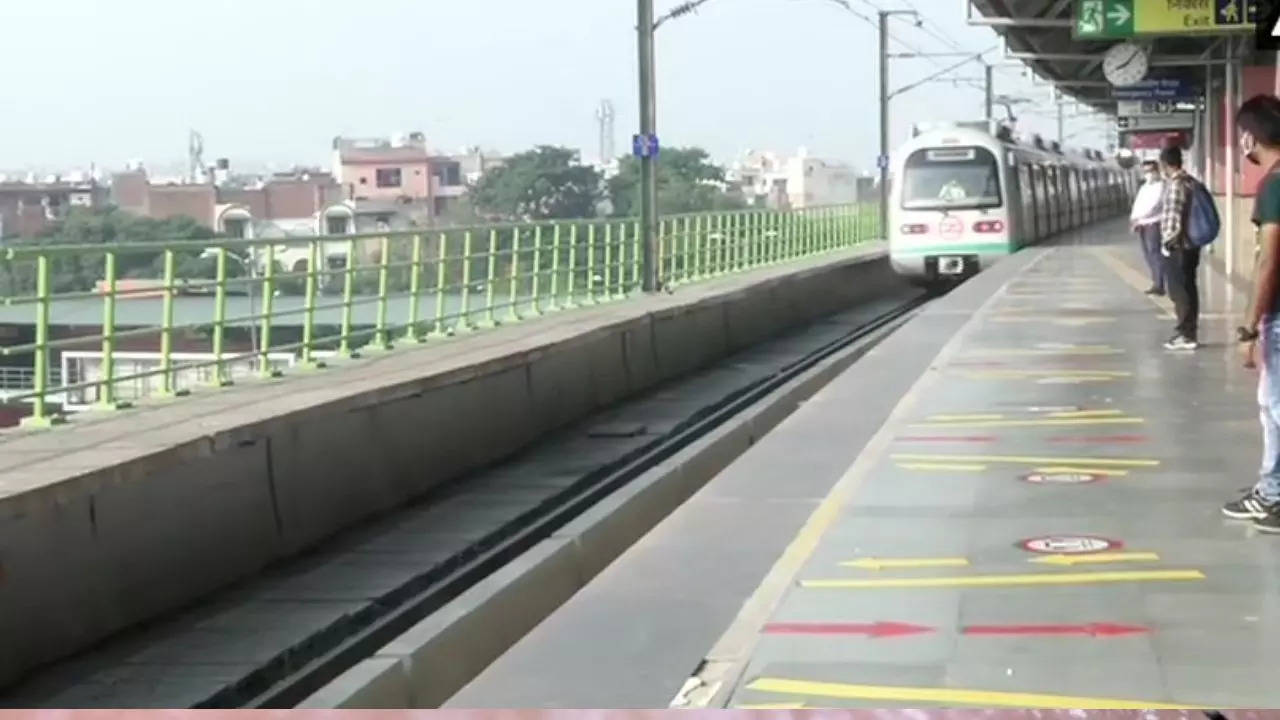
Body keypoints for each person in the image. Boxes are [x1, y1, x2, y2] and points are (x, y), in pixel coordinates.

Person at [1223, 94, 1280, 532]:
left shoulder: (1275, 185)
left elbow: (1268, 263)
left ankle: (1274, 497)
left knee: (1275, 407)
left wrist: (1248, 329)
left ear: (1252, 136)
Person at [1157, 146, 1199, 350]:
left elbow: (1174, 219)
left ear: (1165, 164)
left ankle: (1186, 334)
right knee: (1189, 287)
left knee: (1178, 290)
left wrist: (1167, 243)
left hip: (1178, 246)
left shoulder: (1175, 185)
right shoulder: (1190, 181)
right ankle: (1189, 331)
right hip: (1190, 245)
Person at [1129, 161, 1165, 295]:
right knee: (1148, 254)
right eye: (1145, 171)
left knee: (1155, 253)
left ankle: (1159, 284)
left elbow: (1154, 205)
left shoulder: (1160, 186)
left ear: (1157, 171)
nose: (1148, 174)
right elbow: (1137, 205)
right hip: (1142, 224)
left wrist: (1139, 218)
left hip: (1153, 224)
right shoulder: (1144, 187)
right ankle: (1156, 281)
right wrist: (1133, 219)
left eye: (1150, 170)